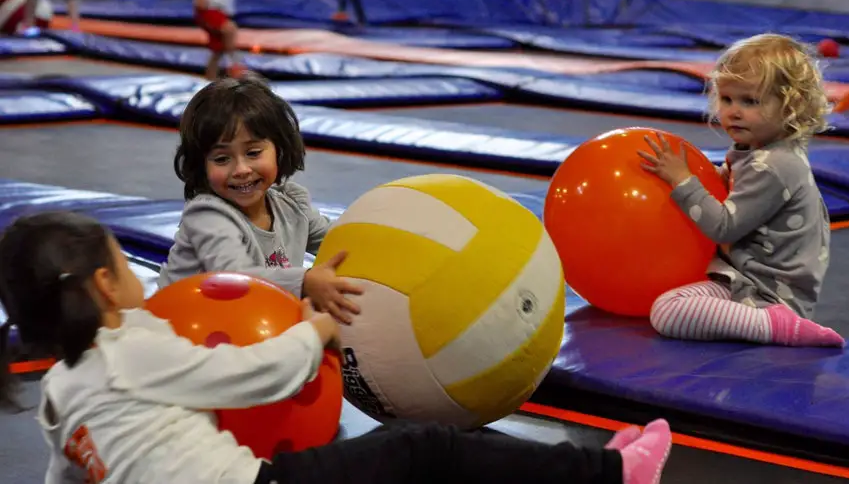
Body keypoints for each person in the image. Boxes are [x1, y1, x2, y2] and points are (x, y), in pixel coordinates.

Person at [0, 211, 673, 484]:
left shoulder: (63, 385)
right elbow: (252, 375)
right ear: (104, 286)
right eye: (126, 263)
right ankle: (608, 476)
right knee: (421, 446)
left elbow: (67, 475)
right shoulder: (132, 349)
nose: (138, 275)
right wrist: (318, 328)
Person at [637, 33, 845, 348]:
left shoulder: (774, 165)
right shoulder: (757, 151)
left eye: (750, 101)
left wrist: (683, 181)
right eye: (727, 99)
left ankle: (776, 326)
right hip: (739, 277)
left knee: (668, 310)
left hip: (763, 292)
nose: (733, 111)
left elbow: (723, 227)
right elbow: (735, 188)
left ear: (790, 106)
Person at [157, 74, 363, 325]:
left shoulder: (291, 205)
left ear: (280, 148)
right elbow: (234, 278)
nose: (241, 169)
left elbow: (338, 242)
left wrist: (383, 243)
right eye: (222, 159)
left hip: (249, 321)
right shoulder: (207, 216)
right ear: (201, 166)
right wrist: (305, 281)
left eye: (253, 153)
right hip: (183, 328)